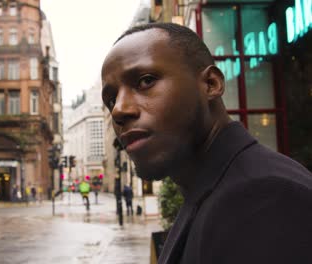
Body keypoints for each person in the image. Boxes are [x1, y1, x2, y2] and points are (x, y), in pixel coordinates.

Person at [101, 22, 312, 264]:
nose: (118, 110)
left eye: (146, 81)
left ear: (211, 84)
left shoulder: (262, 198)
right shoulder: (210, 189)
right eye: (111, 99)